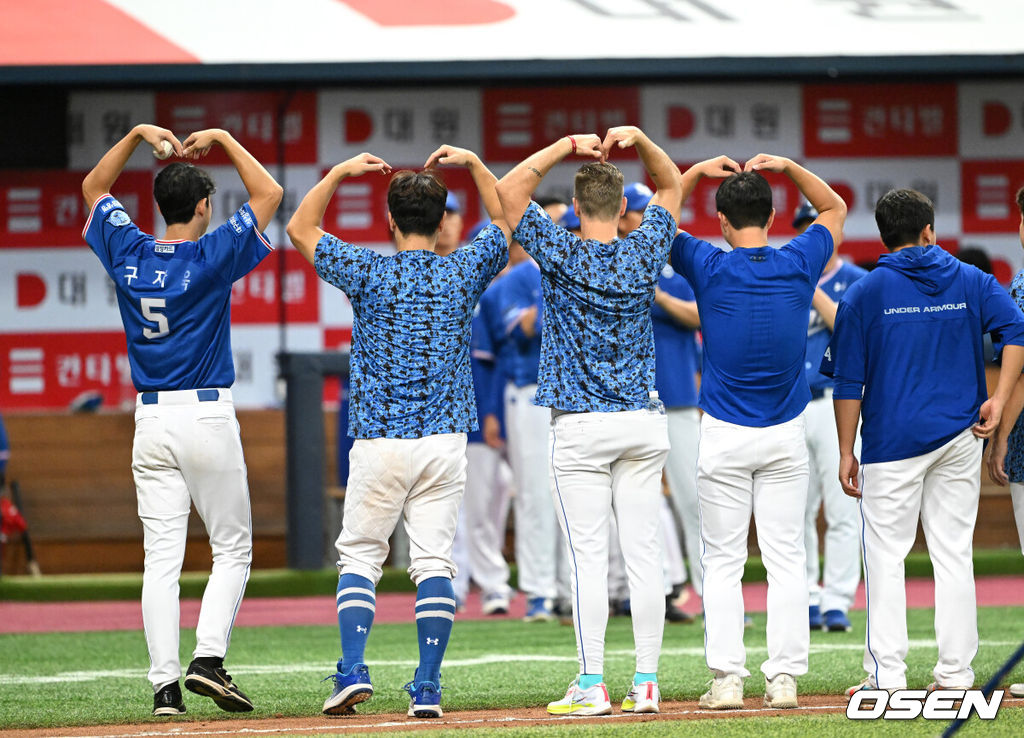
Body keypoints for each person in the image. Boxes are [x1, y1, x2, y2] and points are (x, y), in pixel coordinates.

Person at [287, 144, 509, 719]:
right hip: (443, 440)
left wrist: (336, 170)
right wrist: (477, 166)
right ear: (442, 223)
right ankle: (428, 688)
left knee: (361, 557)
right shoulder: (462, 267)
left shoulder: (367, 268)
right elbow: (507, 218)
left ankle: (353, 669)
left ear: (389, 220)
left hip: (380, 438)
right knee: (434, 562)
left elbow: (299, 225)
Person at [82, 124, 283, 716]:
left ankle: (164, 687)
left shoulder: (130, 250)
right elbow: (268, 194)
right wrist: (222, 136)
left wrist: (136, 134)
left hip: (150, 422)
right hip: (205, 417)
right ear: (202, 206)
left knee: (161, 559)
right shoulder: (209, 255)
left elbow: (94, 186)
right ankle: (209, 659)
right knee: (233, 548)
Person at [496, 126, 682, 716]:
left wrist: (561, 147)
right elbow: (673, 182)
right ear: (625, 206)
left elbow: (507, 190)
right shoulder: (644, 246)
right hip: (642, 423)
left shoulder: (559, 246)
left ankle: (593, 683)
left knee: (589, 558)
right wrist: (641, 140)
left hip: (580, 427)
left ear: (574, 209)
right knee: (643, 555)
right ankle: (647, 683)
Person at [825, 188, 1024, 696]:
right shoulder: (971, 278)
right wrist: (999, 401)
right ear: (929, 230)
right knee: (954, 554)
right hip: (959, 437)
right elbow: (1017, 331)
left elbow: (848, 383)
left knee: (886, 558)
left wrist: (846, 449)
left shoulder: (863, 293)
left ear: (885, 237)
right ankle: (955, 679)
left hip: (892, 444)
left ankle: (886, 679)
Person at [672, 154, 847, 710]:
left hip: (723, 431)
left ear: (721, 223)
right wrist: (793, 167)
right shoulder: (799, 259)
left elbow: (654, 220)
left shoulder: (705, 260)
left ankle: (727, 680)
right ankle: (786, 679)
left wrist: (693, 175)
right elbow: (834, 207)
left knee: (721, 561)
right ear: (772, 219)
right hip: (785, 432)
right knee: (787, 557)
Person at [626, 181, 703, 622]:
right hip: (633, 401)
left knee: (695, 500)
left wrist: (654, 293)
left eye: (640, 213)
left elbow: (699, 317)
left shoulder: (676, 266)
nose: (633, 220)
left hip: (676, 397)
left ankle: (713, 597)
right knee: (640, 507)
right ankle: (659, 597)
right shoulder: (615, 261)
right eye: (633, 213)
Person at [793, 201, 866, 633]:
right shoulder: (787, 276)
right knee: (795, 510)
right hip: (793, 406)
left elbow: (848, 327)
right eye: (805, 228)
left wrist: (812, 287)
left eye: (817, 226)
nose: (812, 233)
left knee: (843, 508)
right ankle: (807, 597)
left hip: (835, 405)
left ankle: (837, 600)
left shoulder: (855, 281)